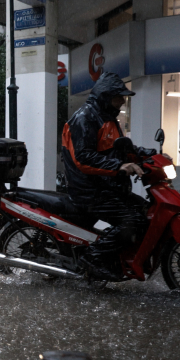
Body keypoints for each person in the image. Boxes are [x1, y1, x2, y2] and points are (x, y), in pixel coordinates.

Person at [61, 72, 156, 281]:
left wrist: (152, 155)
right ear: (106, 96)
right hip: (89, 190)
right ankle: (94, 259)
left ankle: (124, 257)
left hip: (107, 187)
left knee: (147, 211)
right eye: (118, 96)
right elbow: (83, 159)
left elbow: (122, 149)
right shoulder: (85, 117)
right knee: (132, 220)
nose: (122, 100)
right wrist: (120, 166)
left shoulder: (108, 118)